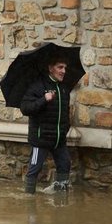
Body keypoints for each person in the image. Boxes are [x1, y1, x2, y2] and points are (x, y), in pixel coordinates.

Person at [20, 54, 73, 194]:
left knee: (65, 165)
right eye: (60, 67)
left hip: (59, 139)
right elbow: (25, 108)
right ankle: (29, 201)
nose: (63, 71)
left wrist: (64, 129)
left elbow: (66, 112)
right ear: (50, 68)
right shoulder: (37, 86)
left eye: (65, 68)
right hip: (40, 139)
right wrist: (44, 99)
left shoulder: (64, 89)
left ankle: (61, 198)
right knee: (34, 169)